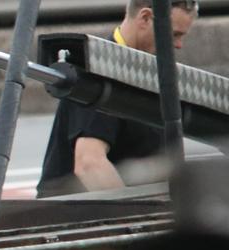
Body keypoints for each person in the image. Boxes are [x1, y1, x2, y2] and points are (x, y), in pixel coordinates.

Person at [36, 0, 198, 197]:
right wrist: (138, 218)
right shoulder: (98, 74)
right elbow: (90, 164)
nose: (179, 45)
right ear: (145, 18)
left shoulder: (144, 70)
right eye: (175, 34)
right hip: (75, 213)